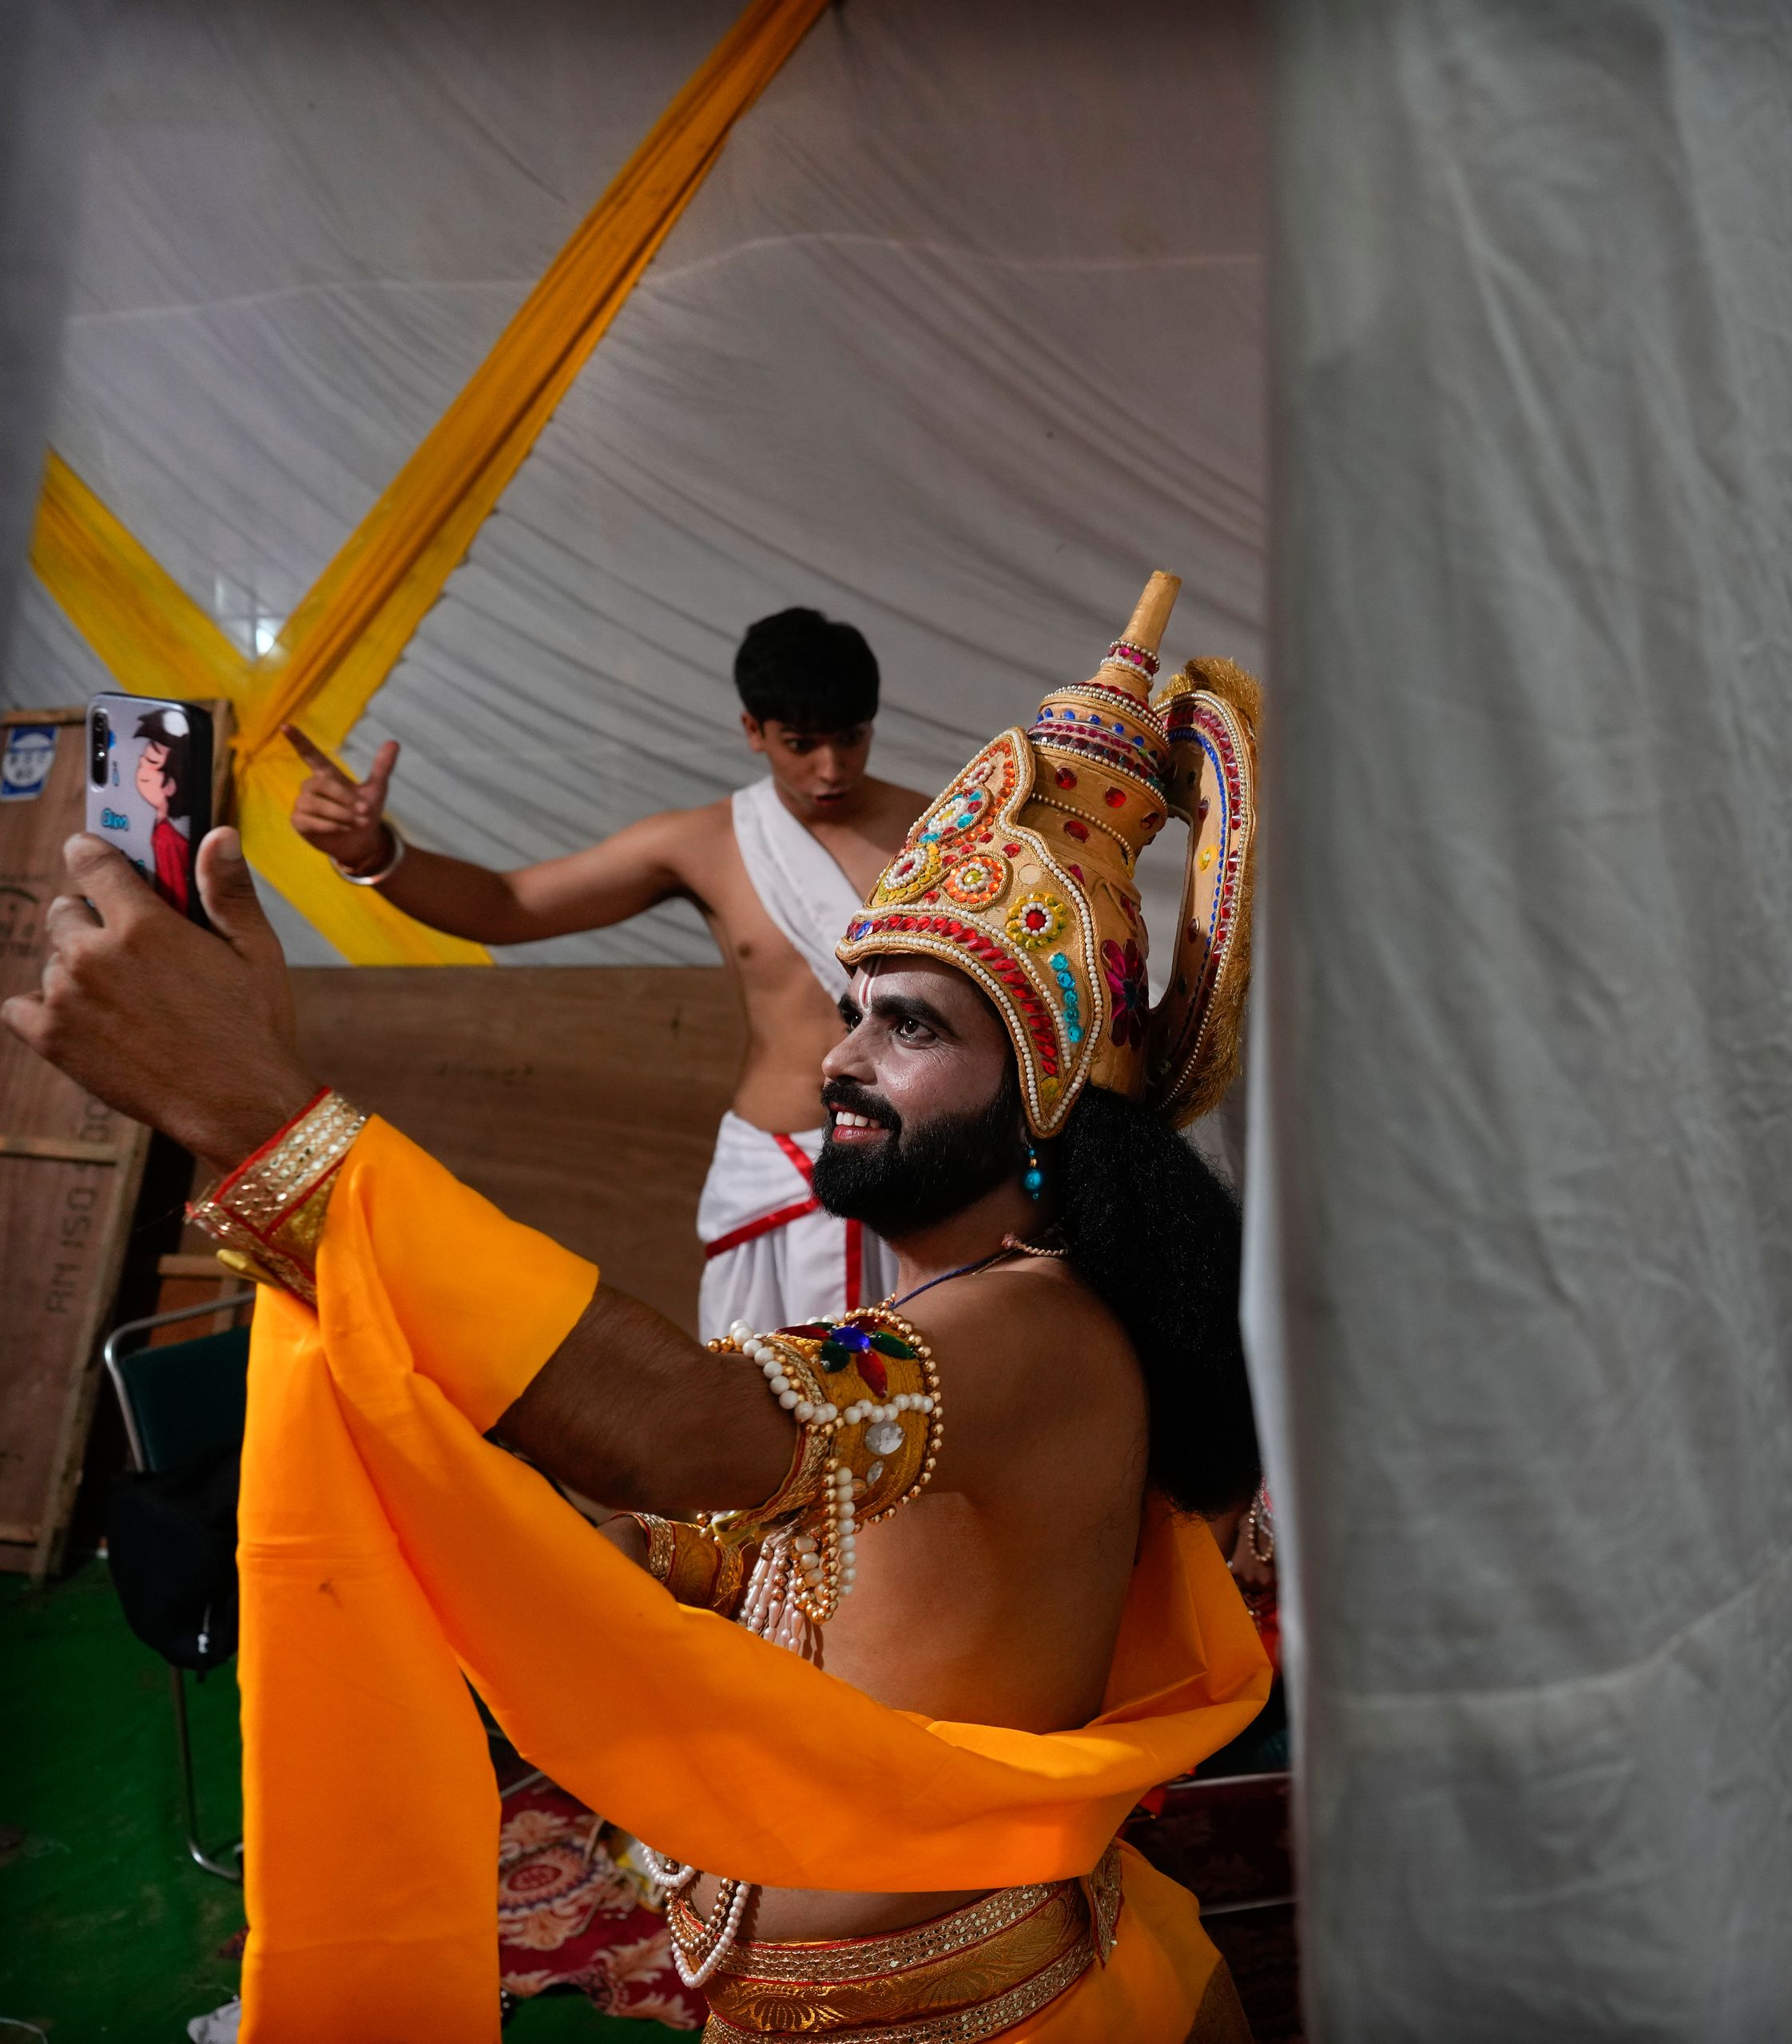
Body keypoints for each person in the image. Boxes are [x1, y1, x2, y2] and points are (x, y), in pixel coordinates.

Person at [12, 576, 1273, 2041]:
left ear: (1053, 1090)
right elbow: (771, 1539)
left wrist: (267, 1120)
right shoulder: (969, 1302)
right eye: (852, 1007)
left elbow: (691, 1434)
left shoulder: (1037, 1333)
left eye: (910, 1022)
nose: (839, 1061)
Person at [287, 608, 927, 1335]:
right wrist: (372, 853)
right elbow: (511, 903)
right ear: (753, 731)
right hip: (773, 1164)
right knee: (758, 1406)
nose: (831, 769)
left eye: (851, 739)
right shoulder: (701, 843)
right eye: (801, 744)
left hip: (907, 1161)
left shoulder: (943, 829)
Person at [132, 704, 198, 917]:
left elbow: (176, 904)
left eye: (151, 761)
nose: (141, 764)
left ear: (170, 786)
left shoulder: (168, 840)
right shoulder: (163, 831)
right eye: (143, 758)